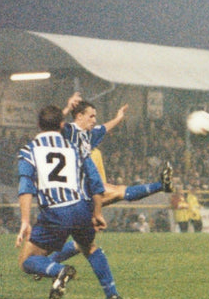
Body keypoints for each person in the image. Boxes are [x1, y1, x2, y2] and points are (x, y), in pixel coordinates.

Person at [15, 105, 124, 299]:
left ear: (38, 125)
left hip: (54, 213)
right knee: (89, 247)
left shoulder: (29, 151)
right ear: (62, 125)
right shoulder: (74, 148)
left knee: (27, 261)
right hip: (80, 207)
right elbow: (95, 181)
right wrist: (97, 212)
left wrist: (24, 221)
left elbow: (25, 186)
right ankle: (112, 295)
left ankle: (59, 270)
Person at [46, 93, 173, 264]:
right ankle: (161, 185)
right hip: (71, 194)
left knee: (83, 241)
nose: (94, 120)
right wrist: (68, 106)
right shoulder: (69, 131)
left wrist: (119, 117)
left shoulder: (87, 135)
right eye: (91, 116)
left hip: (83, 191)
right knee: (116, 195)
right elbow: (53, 126)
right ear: (79, 116)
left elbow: (105, 128)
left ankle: (45, 264)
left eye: (95, 116)